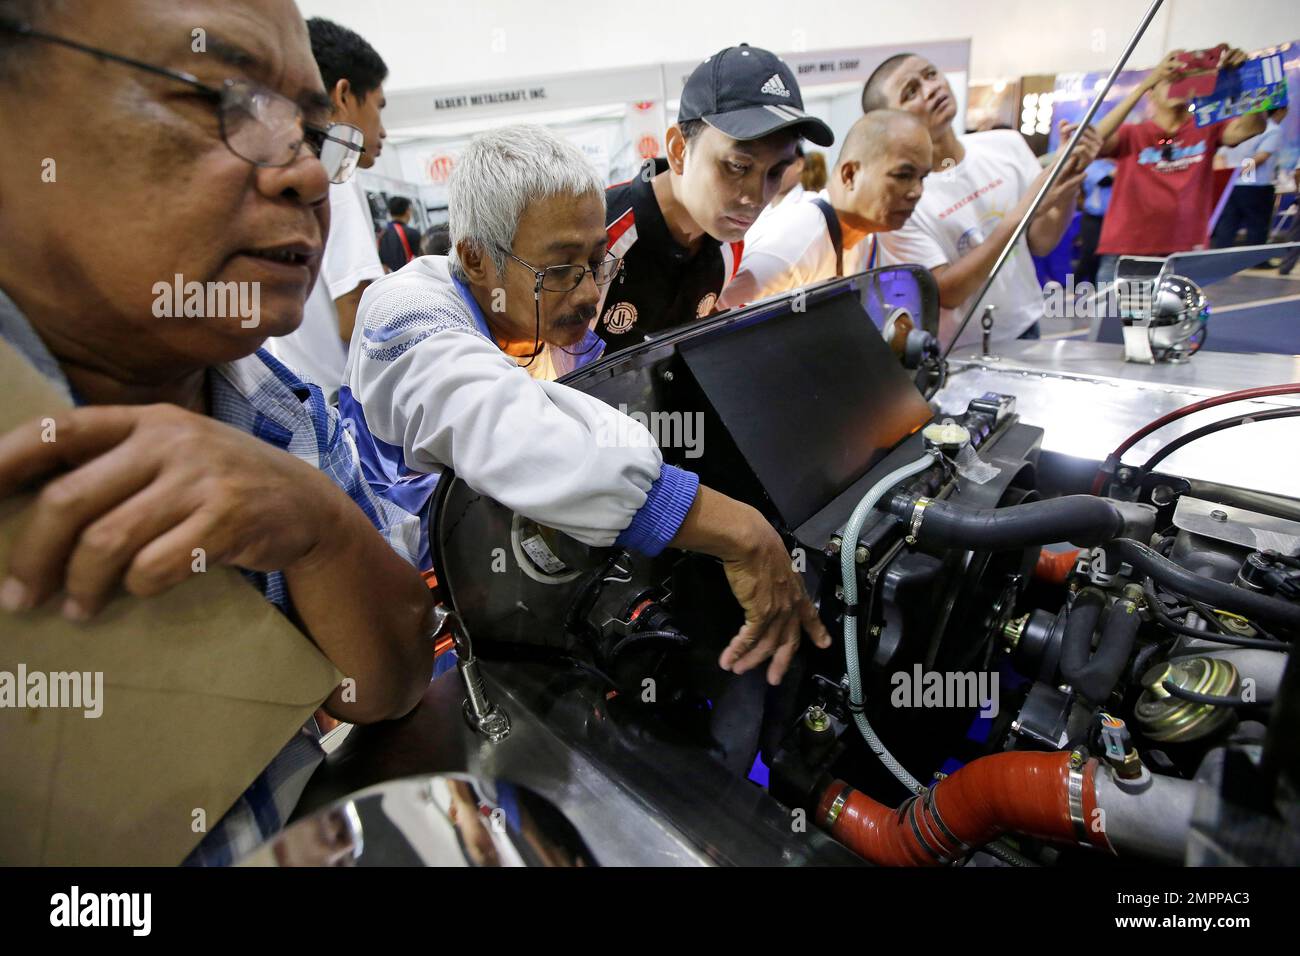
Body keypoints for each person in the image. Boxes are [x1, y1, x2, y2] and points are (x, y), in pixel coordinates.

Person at [0, 0, 434, 865]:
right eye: (213, 95)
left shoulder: (272, 404)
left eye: (314, 130)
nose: (308, 175)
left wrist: (321, 527)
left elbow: (387, 685)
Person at [341, 125, 831, 698]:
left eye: (597, 261)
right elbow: (520, 434)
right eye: (560, 268)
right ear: (475, 256)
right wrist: (741, 532)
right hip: (415, 618)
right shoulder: (405, 315)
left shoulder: (533, 318)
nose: (588, 293)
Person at [597, 44, 834, 349]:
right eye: (738, 166)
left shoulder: (729, 244)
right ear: (679, 150)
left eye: (775, 173)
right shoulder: (598, 237)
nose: (756, 197)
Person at [863, 53, 1100, 347]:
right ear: (887, 122)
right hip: (958, 350)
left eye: (931, 74)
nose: (931, 88)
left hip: (1027, 328)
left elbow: (1042, 241)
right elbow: (947, 292)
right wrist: (1026, 209)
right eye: (911, 91)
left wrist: (1069, 178)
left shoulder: (1006, 145)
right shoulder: (899, 200)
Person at [266, 17, 389, 401]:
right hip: (343, 403)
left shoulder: (289, 164)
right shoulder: (335, 172)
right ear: (344, 94)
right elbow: (355, 317)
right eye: (379, 107)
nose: (383, 130)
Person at [1081, 46, 1266, 287]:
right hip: (1127, 254)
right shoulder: (1132, 134)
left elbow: (1252, 127)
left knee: (1174, 325)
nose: (1176, 83)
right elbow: (1094, 140)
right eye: (1169, 80)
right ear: (1152, 93)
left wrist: (1246, 75)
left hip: (1183, 255)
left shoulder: (1206, 128)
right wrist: (1147, 82)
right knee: (1121, 325)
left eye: (1183, 80)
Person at [721, 110, 932, 307]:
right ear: (850, 175)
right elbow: (714, 323)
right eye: (903, 176)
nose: (917, 191)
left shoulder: (861, 238)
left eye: (922, 177)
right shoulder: (794, 244)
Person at [1212, 106, 1288, 250]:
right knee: (1257, 225)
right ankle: (1257, 261)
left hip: (1231, 185)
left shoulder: (1233, 127)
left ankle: (1219, 256)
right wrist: (1241, 175)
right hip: (1255, 186)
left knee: (1228, 224)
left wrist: (1229, 175)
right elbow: (1260, 157)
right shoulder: (1272, 129)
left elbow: (1220, 156)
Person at [378, 196, 423, 272]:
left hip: (389, 280)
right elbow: (424, 260)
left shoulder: (382, 235)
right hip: (410, 278)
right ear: (407, 211)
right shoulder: (412, 233)